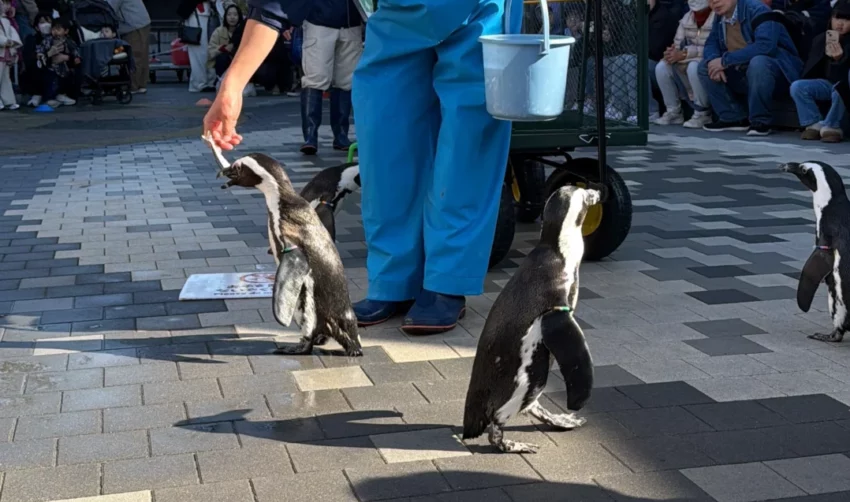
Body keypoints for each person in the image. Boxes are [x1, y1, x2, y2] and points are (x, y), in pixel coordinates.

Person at [204, 0, 523, 334]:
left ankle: (447, 279)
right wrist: (233, 84)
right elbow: (278, 4)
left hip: (474, 10)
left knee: (466, 145)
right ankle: (394, 280)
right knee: (385, 145)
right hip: (399, 17)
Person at [698, 0, 803, 135]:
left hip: (778, 72)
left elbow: (766, 46)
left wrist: (724, 60)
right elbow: (711, 43)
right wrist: (713, 60)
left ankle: (760, 121)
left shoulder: (758, 9)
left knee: (759, 62)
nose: (715, 2)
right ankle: (733, 117)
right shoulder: (720, 16)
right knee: (705, 66)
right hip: (743, 70)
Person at [297, 0, 363, 155]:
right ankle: (311, 136)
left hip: (351, 23)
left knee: (345, 81)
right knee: (315, 79)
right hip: (319, 21)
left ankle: (340, 135)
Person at [790, 1, 850, 142]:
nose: (840, 24)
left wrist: (839, 59)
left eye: (847, 19)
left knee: (839, 88)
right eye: (837, 18)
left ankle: (832, 126)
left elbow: (844, 80)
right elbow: (813, 71)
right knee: (798, 86)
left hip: (843, 86)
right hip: (827, 84)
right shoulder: (821, 38)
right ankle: (814, 124)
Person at [654, 0, 716, 127]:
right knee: (662, 66)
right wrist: (671, 53)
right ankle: (673, 112)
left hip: (708, 66)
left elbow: (714, 48)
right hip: (686, 64)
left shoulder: (717, 16)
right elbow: (678, 45)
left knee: (694, 66)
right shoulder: (686, 18)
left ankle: (702, 113)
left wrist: (685, 54)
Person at [648, 0, 683, 120]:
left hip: (658, 61)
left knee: (636, 63)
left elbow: (656, 50)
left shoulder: (664, 15)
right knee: (622, 60)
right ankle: (621, 108)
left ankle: (649, 111)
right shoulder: (634, 17)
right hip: (653, 60)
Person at [178, 0, 224, 92]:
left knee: (210, 48)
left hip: (210, 12)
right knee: (199, 51)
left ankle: (209, 81)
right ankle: (199, 83)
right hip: (197, 13)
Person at [106, 0, 151, 94]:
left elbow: (109, 8)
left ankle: (133, 86)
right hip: (140, 22)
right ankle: (141, 84)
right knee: (141, 56)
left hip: (133, 25)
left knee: (135, 55)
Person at [36, 16, 79, 108]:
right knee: (51, 78)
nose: (55, 31)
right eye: (53, 29)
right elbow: (41, 51)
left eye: (58, 29)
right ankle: (49, 98)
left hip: (65, 67)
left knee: (70, 77)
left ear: (66, 31)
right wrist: (46, 54)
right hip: (51, 66)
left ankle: (63, 95)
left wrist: (74, 58)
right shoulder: (48, 40)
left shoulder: (69, 41)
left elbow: (75, 52)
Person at [21, 11, 50, 106]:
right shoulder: (31, 39)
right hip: (38, 69)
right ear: (37, 27)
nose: (46, 25)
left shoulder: (58, 39)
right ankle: (36, 94)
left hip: (54, 67)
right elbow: (28, 57)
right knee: (35, 65)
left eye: (48, 21)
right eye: (42, 22)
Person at [208, 3, 242, 81]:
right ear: (225, 17)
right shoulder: (218, 31)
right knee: (222, 57)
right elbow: (210, 52)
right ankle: (221, 80)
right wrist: (224, 49)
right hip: (222, 64)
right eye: (229, 14)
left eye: (235, 15)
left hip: (239, 63)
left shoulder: (243, 31)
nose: (232, 17)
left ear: (239, 17)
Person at [0, 0, 21, 110]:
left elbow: (13, 35)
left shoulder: (6, 21)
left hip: (6, 52)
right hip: (2, 50)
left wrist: (13, 43)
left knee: (6, 79)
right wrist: (5, 41)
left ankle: (9, 100)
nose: (6, 6)